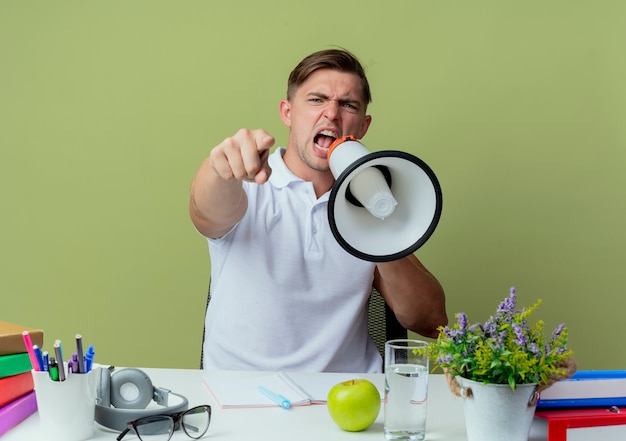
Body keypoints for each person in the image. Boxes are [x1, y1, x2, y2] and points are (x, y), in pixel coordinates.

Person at [189, 48, 447, 373]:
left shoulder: (371, 208)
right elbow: (205, 210)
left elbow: (432, 321)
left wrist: (380, 225)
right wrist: (219, 169)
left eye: (348, 104)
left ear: (363, 125)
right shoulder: (249, 183)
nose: (331, 114)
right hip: (241, 398)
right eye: (316, 100)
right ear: (287, 112)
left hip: (348, 402)